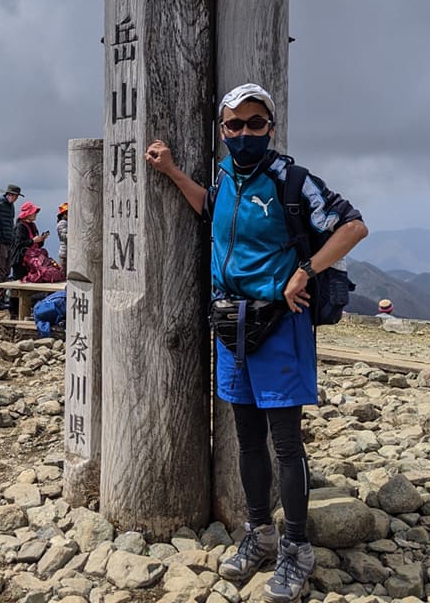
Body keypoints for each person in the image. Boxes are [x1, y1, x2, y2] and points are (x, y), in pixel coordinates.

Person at [145, 82, 368, 603]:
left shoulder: (291, 180)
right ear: (223, 130)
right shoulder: (226, 179)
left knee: (286, 444)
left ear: (270, 127)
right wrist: (174, 172)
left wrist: (306, 271)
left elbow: (353, 226)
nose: (244, 133)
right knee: (247, 438)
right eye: (234, 125)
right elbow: (209, 210)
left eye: (255, 124)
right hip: (232, 325)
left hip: (280, 324)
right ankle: (257, 533)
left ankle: (296, 548)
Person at [56, 203, 68, 273]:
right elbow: (65, 237)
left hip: (65, 252)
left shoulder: (65, 222)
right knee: (63, 273)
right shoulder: (62, 223)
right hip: (65, 253)